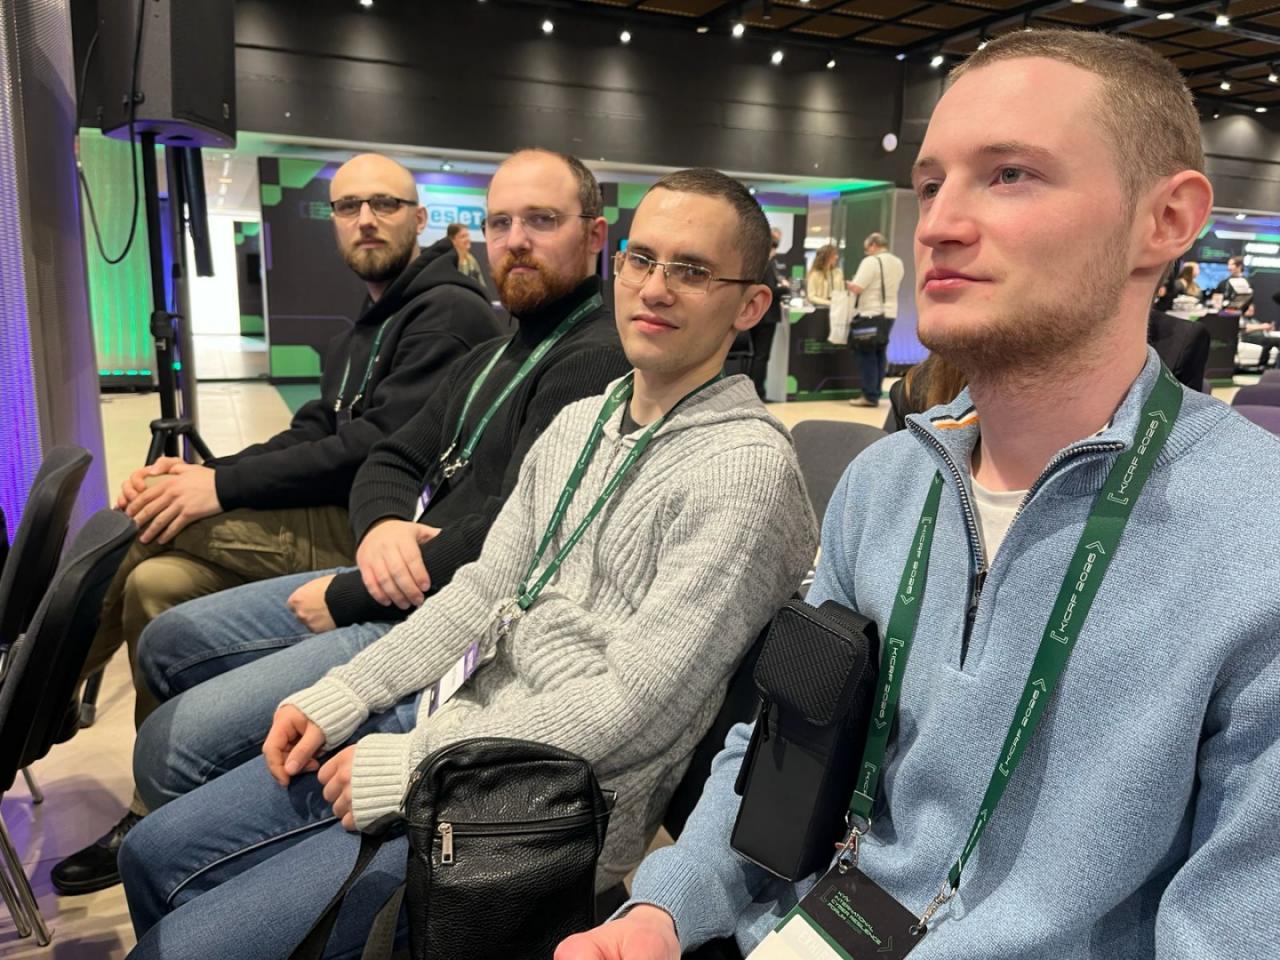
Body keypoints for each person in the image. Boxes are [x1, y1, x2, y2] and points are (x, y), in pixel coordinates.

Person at [558, 28, 1279, 960]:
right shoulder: (885, 483)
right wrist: (663, 911)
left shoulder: (1254, 534)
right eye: (932, 184)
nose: (938, 223)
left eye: (1010, 174)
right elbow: (784, 750)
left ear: (1166, 221)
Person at [117, 168, 819, 960]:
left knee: (181, 935)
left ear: (749, 305)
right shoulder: (586, 421)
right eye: (643, 260)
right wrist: (349, 691)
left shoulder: (744, 471)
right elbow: (485, 588)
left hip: (540, 815)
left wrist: (417, 764)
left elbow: (634, 704)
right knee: (151, 853)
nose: (654, 288)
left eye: (690, 270)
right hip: (456, 726)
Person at [121, 150, 632, 827]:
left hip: (439, 621)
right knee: (163, 626)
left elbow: (515, 533)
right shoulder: (494, 352)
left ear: (594, 235)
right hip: (397, 576)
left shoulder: (592, 358)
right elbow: (388, 455)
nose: (516, 240)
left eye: (541, 220)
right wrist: (383, 526)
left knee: (170, 742)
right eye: (500, 222)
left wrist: (349, 591)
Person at [50, 152, 503, 896]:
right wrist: (207, 474)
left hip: (372, 532)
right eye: (349, 206)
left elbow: (370, 449)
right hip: (337, 513)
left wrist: (218, 487)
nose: (365, 219)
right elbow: (317, 427)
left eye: (385, 205)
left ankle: (34, 699)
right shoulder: (369, 322)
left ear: (420, 220)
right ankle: (156, 808)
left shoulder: (447, 313)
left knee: (144, 524)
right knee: (156, 582)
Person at [845, 232, 905, 407]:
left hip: (870, 313)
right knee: (879, 353)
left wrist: (847, 284)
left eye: (866, 249)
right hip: (889, 314)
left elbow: (857, 287)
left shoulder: (871, 262)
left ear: (873, 245)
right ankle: (875, 392)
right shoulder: (898, 262)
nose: (866, 252)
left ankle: (869, 395)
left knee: (866, 354)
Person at [747, 231, 785, 399]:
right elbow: (770, 290)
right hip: (767, 317)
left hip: (756, 315)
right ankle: (759, 392)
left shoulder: (753, 264)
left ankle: (752, 390)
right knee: (762, 356)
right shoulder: (767, 265)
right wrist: (785, 288)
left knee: (757, 355)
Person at [447, 221, 486, 287]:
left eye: (468, 235)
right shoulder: (447, 261)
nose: (468, 239)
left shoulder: (471, 260)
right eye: (463, 236)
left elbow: (481, 285)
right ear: (452, 240)